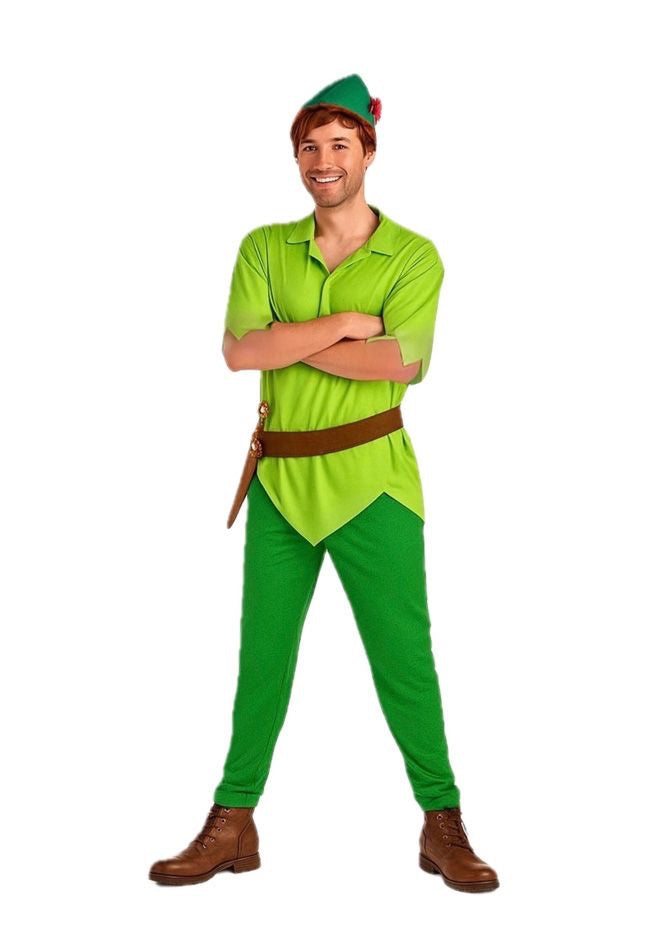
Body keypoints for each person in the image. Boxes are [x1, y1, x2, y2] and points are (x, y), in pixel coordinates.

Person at [149, 73, 499, 893]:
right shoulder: (263, 247)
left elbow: (399, 362)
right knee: (261, 659)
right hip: (279, 483)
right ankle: (233, 820)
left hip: (374, 481)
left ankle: (442, 818)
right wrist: (342, 324)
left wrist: (289, 337)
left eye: (340, 143)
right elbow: (239, 351)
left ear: (368, 151)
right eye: (309, 146)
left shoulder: (413, 255)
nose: (323, 160)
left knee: (404, 659)